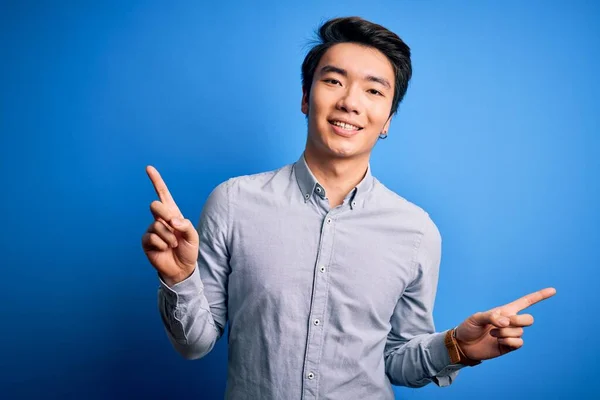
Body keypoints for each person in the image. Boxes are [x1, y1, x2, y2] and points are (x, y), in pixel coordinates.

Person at [141, 16, 555, 399]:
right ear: (306, 97)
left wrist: (458, 348)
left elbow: (394, 360)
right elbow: (194, 344)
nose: (350, 103)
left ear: (388, 118)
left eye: (374, 90)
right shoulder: (233, 202)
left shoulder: (416, 232)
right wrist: (179, 278)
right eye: (334, 81)